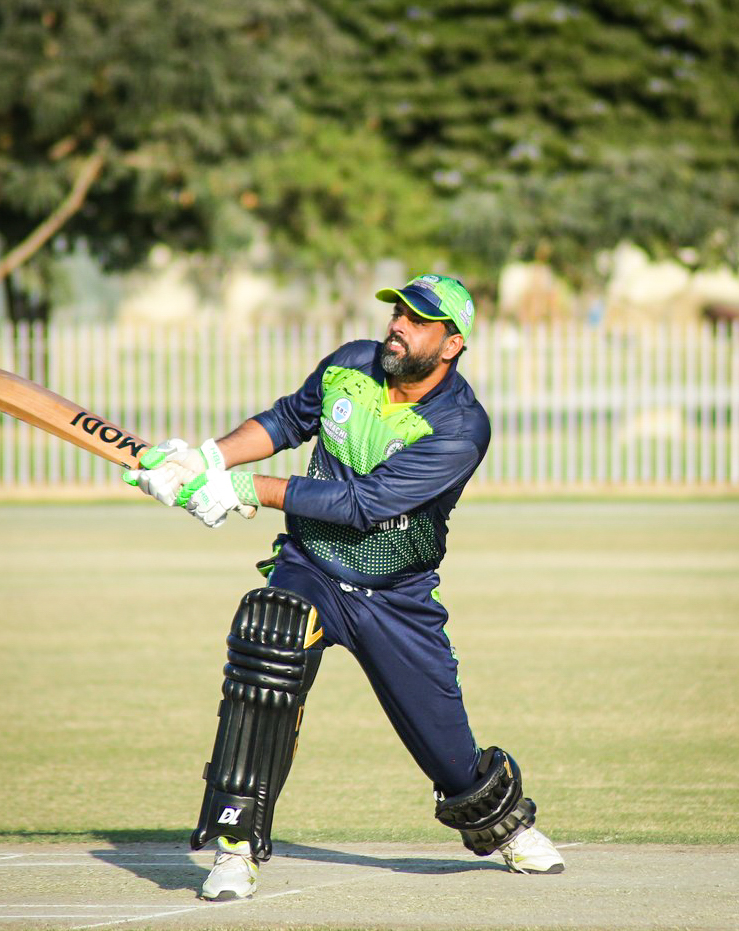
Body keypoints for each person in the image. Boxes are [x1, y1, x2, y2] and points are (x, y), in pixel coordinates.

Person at [124, 274, 565, 900]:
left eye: (418, 320)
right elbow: (286, 420)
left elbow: (365, 503)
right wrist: (207, 461)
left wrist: (245, 490)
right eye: (398, 312)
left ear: (452, 345)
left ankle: (502, 825)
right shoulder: (351, 365)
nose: (398, 325)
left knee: (446, 746)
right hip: (311, 567)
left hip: (396, 594)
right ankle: (235, 846)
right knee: (267, 640)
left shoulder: (460, 427)